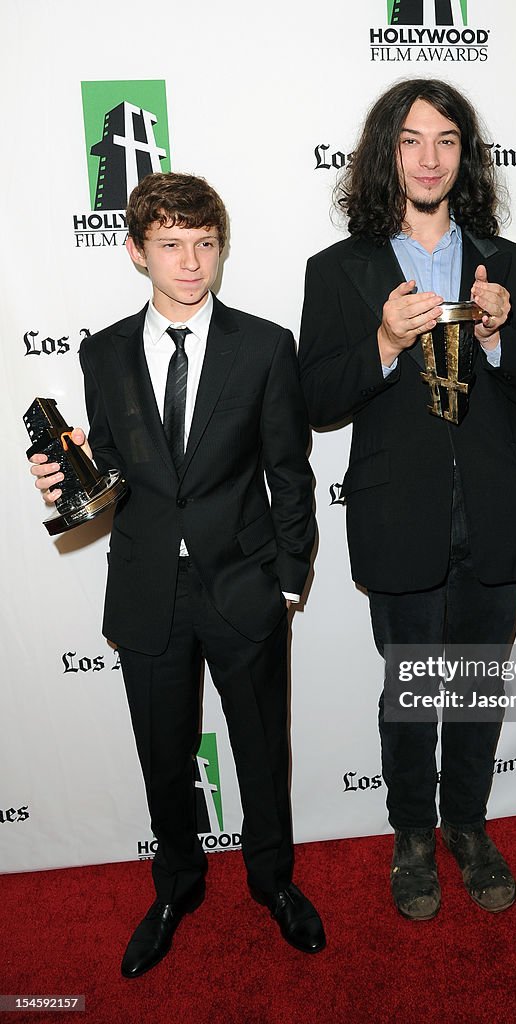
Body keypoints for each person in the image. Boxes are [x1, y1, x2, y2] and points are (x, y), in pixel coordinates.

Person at [29, 172, 325, 976]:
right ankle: (176, 887)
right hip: (149, 589)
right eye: (170, 245)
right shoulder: (104, 353)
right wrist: (73, 479)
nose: (190, 262)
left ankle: (274, 882)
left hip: (244, 587)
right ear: (136, 252)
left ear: (220, 248)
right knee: (164, 754)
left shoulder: (265, 346)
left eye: (204, 244)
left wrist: (289, 581)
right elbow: (119, 474)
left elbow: (290, 474)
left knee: (263, 751)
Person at [298, 79, 516, 920]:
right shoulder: (339, 269)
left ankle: (469, 827)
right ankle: (411, 833)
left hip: (498, 510)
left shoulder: (509, 262)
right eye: (411, 140)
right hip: (400, 513)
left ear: (465, 155)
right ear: (387, 152)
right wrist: (382, 340)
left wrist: (496, 336)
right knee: (412, 688)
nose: (429, 158)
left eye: (447, 140)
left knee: (479, 684)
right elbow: (315, 397)